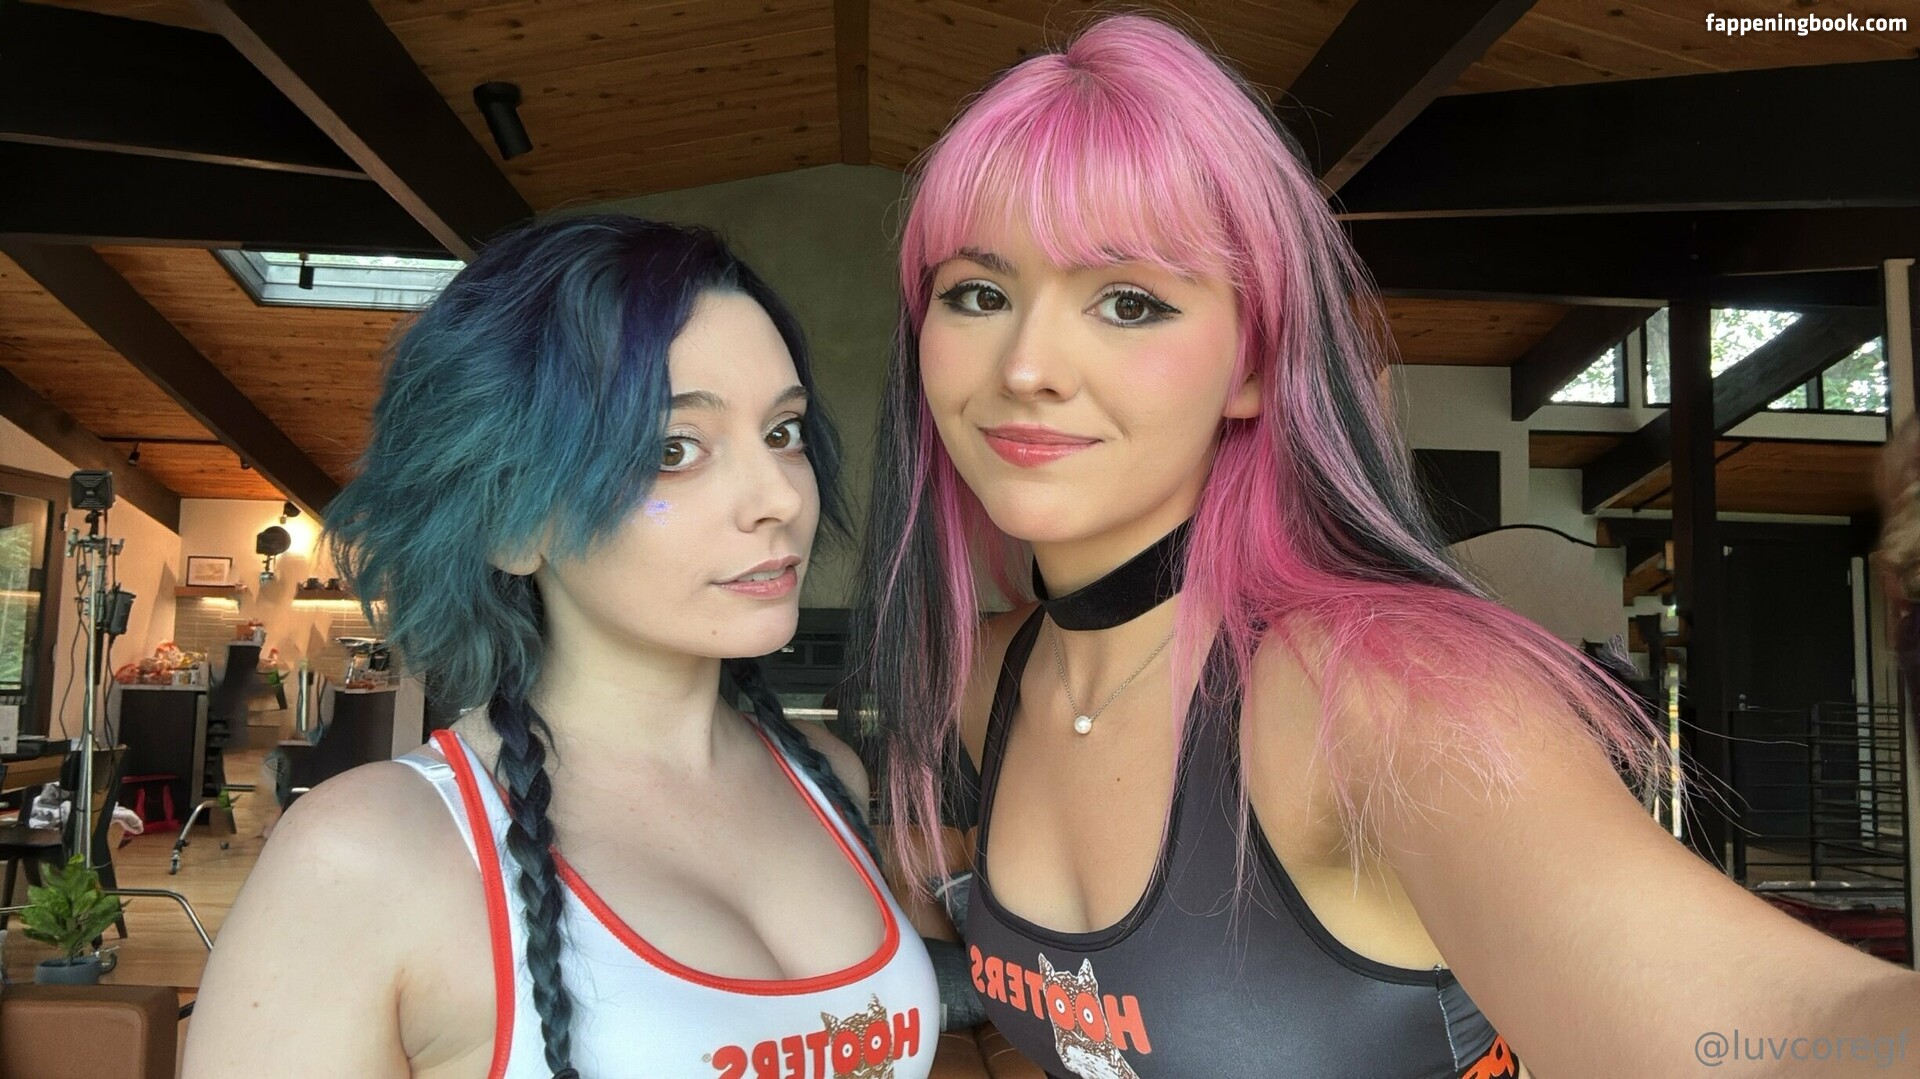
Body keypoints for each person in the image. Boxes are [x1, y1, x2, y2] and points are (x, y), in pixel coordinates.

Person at [847, 15, 1920, 1079]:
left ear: (1253, 366)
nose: (1027, 365)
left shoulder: (1386, 694)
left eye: (1130, 302)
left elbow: (1792, 1029)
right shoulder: (986, 685)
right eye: (978, 293)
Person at [185, 217, 938, 1079]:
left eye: (783, 432)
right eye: (674, 448)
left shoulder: (829, 778)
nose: (780, 497)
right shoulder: (369, 856)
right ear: (513, 520)